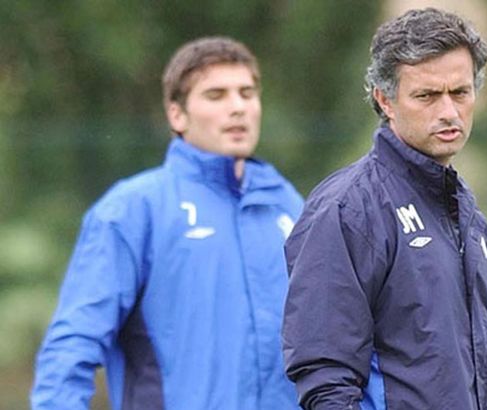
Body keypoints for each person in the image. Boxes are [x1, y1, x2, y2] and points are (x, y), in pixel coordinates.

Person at [31, 37, 303, 410]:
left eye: (247, 93)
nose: (237, 108)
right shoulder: (132, 209)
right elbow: (72, 346)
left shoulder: (289, 206)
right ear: (177, 115)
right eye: (216, 95)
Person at [282, 8, 487, 410]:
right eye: (427, 95)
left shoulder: (471, 218)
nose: (449, 112)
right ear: (386, 100)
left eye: (461, 92)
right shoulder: (348, 210)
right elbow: (325, 380)